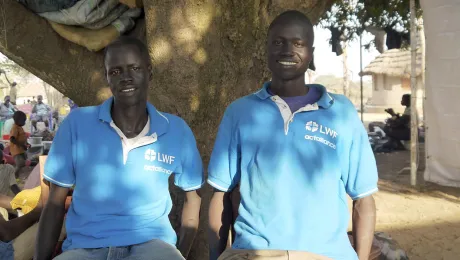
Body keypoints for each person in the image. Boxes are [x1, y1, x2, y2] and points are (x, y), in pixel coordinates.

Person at [208, 11, 378, 260]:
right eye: (278, 42)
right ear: (266, 50)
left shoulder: (341, 113)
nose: (287, 50)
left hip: (325, 255)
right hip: (256, 254)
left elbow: (363, 198)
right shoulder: (240, 112)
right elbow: (221, 193)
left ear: (312, 54)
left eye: (298, 43)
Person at [35, 36, 204, 260]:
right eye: (115, 71)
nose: (126, 78)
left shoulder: (176, 130)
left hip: (152, 247)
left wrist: (178, 254)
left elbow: (194, 198)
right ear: (106, 77)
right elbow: (55, 203)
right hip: (85, 249)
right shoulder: (76, 125)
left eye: (134, 68)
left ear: (149, 72)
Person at [9, 111, 28, 179]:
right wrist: (22, 145)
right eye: (23, 121)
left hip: (21, 150)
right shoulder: (15, 128)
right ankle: (14, 176)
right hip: (16, 150)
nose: (24, 123)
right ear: (18, 120)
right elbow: (12, 139)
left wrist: (27, 144)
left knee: (23, 162)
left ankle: (18, 175)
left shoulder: (20, 127)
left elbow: (22, 137)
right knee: (20, 164)